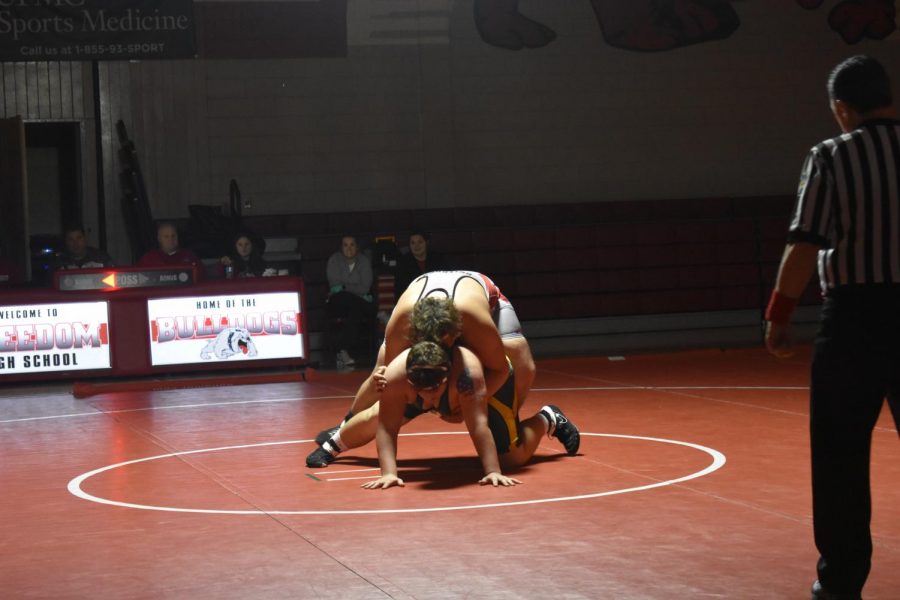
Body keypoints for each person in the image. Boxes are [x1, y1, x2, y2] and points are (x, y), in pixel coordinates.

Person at [764, 55, 900, 600]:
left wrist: (779, 314)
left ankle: (841, 582)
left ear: (842, 109)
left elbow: (805, 243)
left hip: (856, 321)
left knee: (840, 452)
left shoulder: (832, 156)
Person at [306, 341, 580, 488]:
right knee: (374, 415)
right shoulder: (399, 374)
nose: (429, 403)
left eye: (434, 396)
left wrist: (492, 470)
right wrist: (389, 473)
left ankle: (548, 418)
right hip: (434, 380)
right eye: (422, 396)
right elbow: (386, 426)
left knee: (513, 458)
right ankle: (334, 444)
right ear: (411, 384)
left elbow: (478, 426)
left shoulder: (467, 376)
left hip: (492, 382)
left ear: (447, 380)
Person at [314, 271, 537, 446]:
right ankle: (345, 423)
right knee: (380, 371)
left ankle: (510, 423)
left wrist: (474, 402)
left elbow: (501, 369)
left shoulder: (473, 319)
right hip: (422, 294)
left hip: (484, 297)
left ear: (454, 335)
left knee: (519, 358)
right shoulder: (402, 322)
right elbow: (390, 381)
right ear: (415, 336)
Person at [326, 234, 376, 368]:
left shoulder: (364, 261)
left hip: (356, 304)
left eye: (352, 245)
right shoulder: (334, 260)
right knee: (354, 301)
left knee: (355, 308)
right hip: (338, 302)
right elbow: (335, 287)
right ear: (341, 247)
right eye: (345, 245)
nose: (349, 248)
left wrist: (344, 286)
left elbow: (366, 287)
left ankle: (343, 351)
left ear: (357, 246)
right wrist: (352, 289)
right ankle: (378, 314)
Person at [394, 230, 447, 299]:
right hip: (412, 300)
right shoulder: (403, 263)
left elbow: (445, 281)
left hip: (437, 297)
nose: (416, 246)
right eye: (413, 243)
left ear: (426, 243)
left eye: (420, 242)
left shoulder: (438, 259)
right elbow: (401, 289)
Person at [137, 222, 203, 276]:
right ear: (159, 239)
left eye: (173, 236)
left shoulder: (189, 257)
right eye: (166, 236)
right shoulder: (149, 258)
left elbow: (201, 277)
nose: (171, 239)